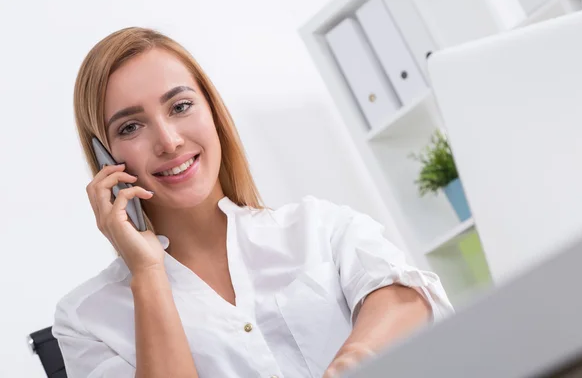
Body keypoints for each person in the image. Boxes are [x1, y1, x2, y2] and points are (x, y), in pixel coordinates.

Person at [52, 27, 454, 378]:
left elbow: (406, 295)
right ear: (106, 159)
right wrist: (147, 272)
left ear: (213, 112)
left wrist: (356, 359)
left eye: (181, 106)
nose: (170, 141)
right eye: (131, 126)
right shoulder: (85, 319)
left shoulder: (316, 227)